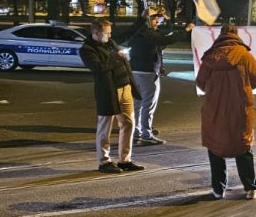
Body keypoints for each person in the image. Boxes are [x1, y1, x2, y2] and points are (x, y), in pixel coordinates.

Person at [196, 24, 256, 200]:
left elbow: (201, 83)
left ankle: (218, 189)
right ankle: (250, 187)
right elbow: (255, 81)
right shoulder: (245, 55)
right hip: (239, 108)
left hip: (214, 108)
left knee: (215, 146)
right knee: (243, 145)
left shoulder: (210, 57)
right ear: (236, 35)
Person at [79, 19, 145, 174]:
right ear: (96, 33)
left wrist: (141, 19)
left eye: (110, 32)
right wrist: (115, 56)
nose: (110, 35)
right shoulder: (87, 49)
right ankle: (104, 161)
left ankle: (125, 160)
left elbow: (129, 33)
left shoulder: (109, 42)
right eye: (107, 33)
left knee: (128, 124)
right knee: (105, 126)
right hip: (108, 91)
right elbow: (98, 68)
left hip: (125, 87)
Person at [127, 9, 194, 146]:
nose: (158, 22)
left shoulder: (138, 33)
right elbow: (166, 39)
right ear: (147, 19)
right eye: (155, 19)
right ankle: (146, 134)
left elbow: (160, 41)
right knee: (148, 104)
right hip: (148, 72)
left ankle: (137, 131)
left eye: (159, 19)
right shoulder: (147, 33)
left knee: (139, 104)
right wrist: (186, 30)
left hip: (136, 71)